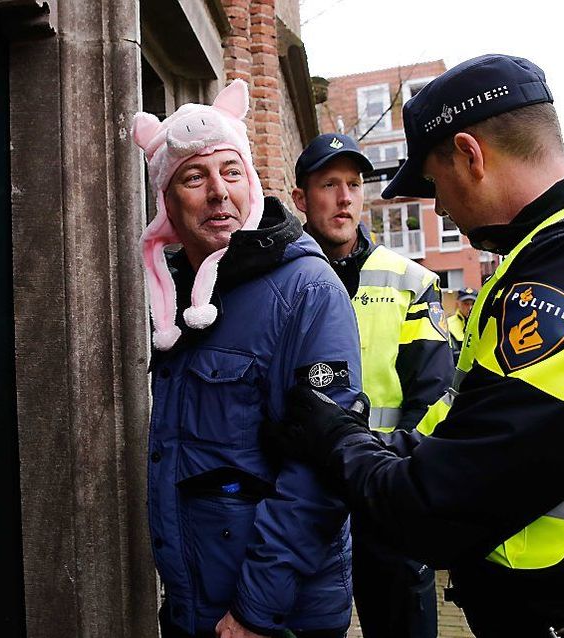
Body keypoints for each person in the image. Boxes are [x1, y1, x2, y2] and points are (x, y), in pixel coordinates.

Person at [264, 54, 564, 637]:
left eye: (436, 184)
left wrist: (332, 434)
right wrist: (372, 441)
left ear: (471, 155)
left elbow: (434, 510)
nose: (440, 207)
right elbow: (457, 428)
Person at [132, 80, 359, 638]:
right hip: (195, 599)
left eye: (231, 172)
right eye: (194, 176)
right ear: (166, 200)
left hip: (275, 615)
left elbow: (320, 470)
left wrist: (255, 612)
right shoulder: (170, 301)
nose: (218, 192)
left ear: (253, 184)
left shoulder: (306, 289)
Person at [293, 133, 456, 638]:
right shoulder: (279, 277)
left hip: (386, 494)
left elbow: (435, 394)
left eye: (354, 185)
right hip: (303, 497)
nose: (345, 198)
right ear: (300, 198)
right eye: (329, 184)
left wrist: (380, 465)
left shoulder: (409, 279)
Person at [448, 287, 477, 359]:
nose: (470, 307)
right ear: (458, 303)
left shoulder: (483, 323)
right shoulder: (447, 324)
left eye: (473, 304)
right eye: (466, 304)